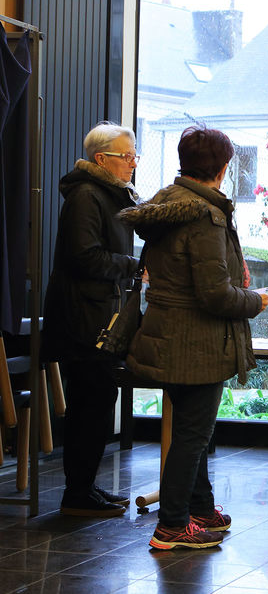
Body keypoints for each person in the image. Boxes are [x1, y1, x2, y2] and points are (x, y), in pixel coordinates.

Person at [119, 126, 268, 549]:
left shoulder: (168, 206)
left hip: (166, 334)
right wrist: (255, 300)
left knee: (194, 430)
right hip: (197, 344)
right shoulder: (205, 215)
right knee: (192, 435)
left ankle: (201, 507)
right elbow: (215, 295)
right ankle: (171, 525)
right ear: (224, 169)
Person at [42, 122, 140, 517]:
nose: (133, 163)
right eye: (127, 156)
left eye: (134, 155)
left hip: (97, 315)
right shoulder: (86, 195)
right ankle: (77, 494)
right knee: (91, 403)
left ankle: (85, 488)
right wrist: (136, 267)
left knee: (97, 402)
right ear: (102, 159)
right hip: (82, 320)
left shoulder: (108, 194)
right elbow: (84, 258)